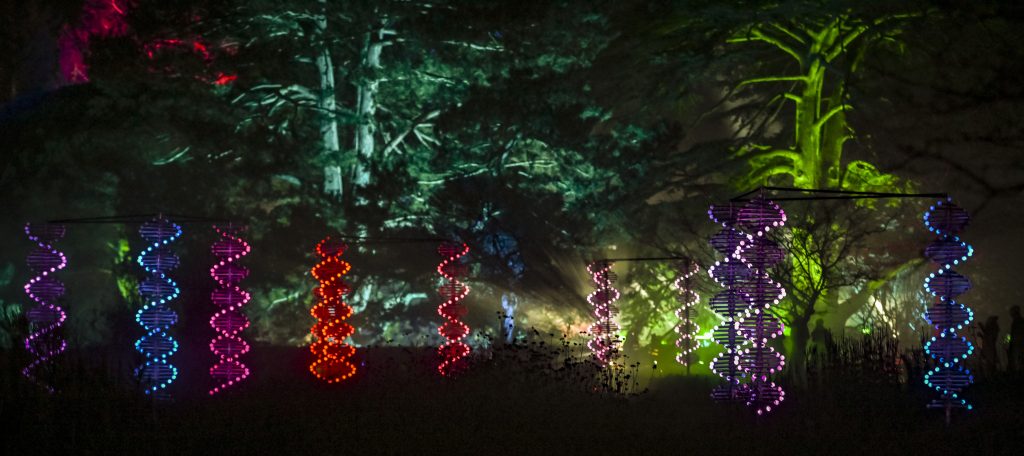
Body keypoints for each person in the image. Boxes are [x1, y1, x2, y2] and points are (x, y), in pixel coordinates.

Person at [1008, 306, 1024, 373]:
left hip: (1018, 345)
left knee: (1019, 361)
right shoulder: (1019, 321)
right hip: (1018, 345)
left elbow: (1015, 335)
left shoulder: (1017, 322)